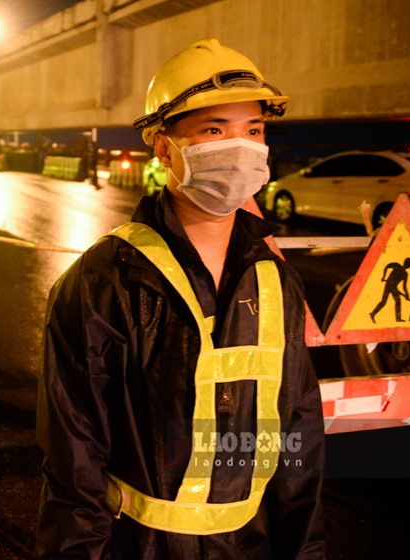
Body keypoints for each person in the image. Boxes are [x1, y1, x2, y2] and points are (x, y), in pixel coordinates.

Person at [36, 39, 326, 559]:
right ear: (163, 145)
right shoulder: (104, 283)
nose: (240, 149)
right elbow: (73, 467)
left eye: (253, 131)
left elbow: (298, 444)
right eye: (214, 130)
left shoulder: (277, 282)